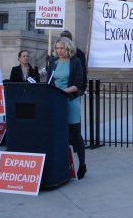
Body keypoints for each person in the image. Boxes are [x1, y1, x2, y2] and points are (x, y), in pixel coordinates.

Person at [47, 37, 87, 179]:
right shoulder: (52, 62)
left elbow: (78, 84)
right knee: (60, 134)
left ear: (68, 48)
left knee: (75, 134)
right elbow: (49, 82)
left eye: (62, 48)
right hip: (56, 101)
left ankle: (82, 164)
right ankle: (63, 164)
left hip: (70, 100)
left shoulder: (75, 62)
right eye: (57, 48)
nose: (59, 51)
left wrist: (61, 92)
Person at [60, 30, 87, 94]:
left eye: (68, 36)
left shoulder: (79, 54)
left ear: (71, 38)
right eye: (64, 36)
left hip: (73, 89)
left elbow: (83, 71)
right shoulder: (56, 54)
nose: (66, 38)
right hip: (58, 89)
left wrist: (82, 87)